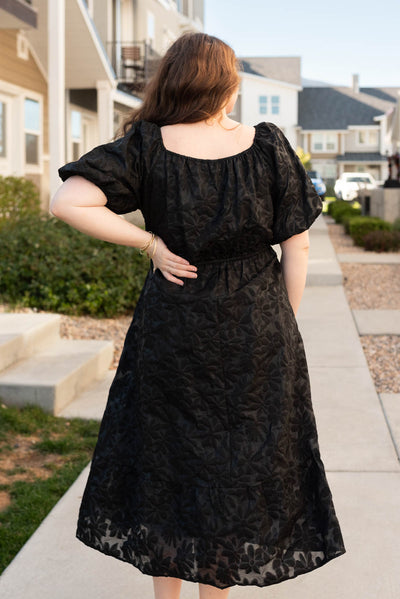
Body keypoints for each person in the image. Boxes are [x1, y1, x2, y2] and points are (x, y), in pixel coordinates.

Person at [50, 32, 346, 599]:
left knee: (170, 465)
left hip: (174, 324)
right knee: (235, 471)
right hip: (256, 326)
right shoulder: (267, 145)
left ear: (175, 80)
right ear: (228, 84)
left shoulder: (145, 144)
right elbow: (298, 246)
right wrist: (282, 323)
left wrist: (150, 244)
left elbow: (68, 202)